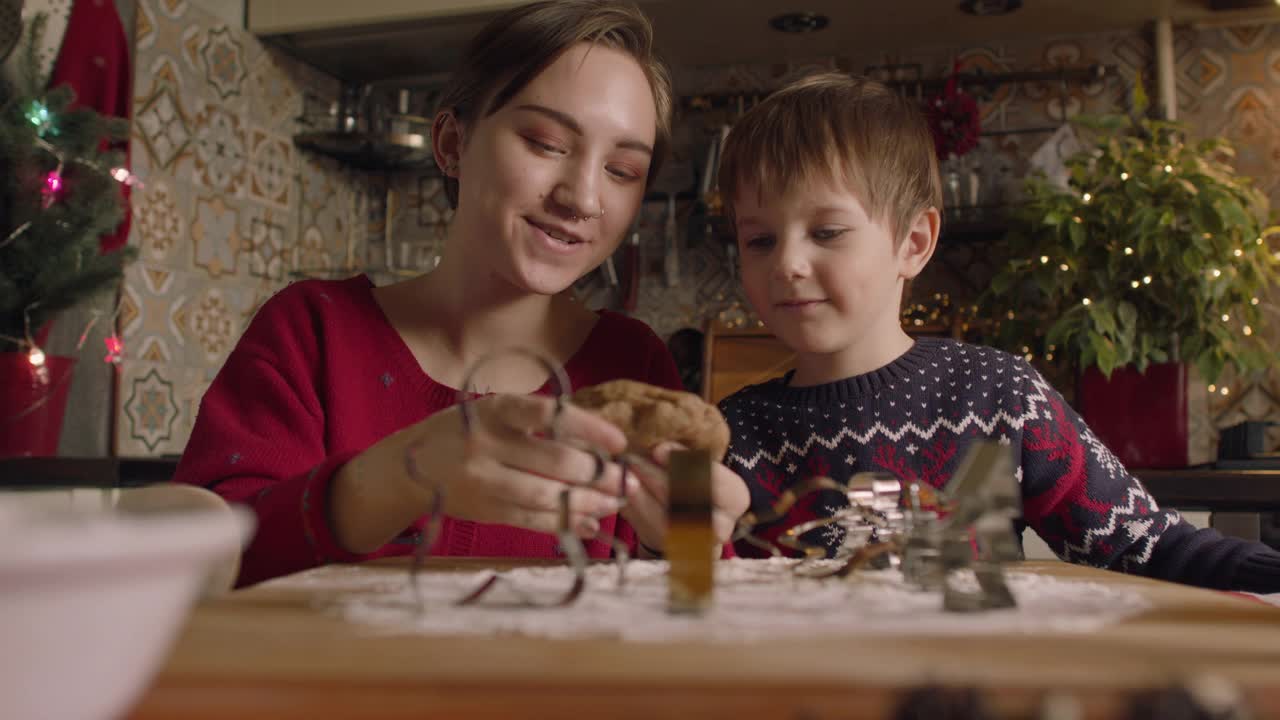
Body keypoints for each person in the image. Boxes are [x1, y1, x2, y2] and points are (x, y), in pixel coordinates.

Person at [173, 0, 748, 587]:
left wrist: (682, 544)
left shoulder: (636, 363)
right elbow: (199, 565)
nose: (583, 198)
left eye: (623, 171)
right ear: (451, 144)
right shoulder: (311, 331)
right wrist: (397, 477)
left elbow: (697, 599)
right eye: (547, 142)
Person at [714, 72, 1280, 592]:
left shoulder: (994, 396)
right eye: (759, 240)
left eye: (828, 231)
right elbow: (696, 595)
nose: (785, 263)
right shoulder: (731, 432)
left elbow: (1144, 545)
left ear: (913, 243)